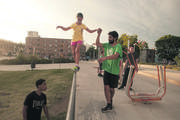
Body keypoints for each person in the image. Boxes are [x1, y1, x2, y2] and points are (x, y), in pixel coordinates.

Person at [96, 28, 122, 112]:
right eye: (108, 37)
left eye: (110, 37)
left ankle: (110, 100)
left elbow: (115, 56)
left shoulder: (118, 46)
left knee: (111, 89)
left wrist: (105, 58)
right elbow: (97, 44)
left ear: (115, 38)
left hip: (114, 71)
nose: (108, 38)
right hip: (107, 70)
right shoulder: (107, 45)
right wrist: (98, 34)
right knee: (106, 87)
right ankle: (108, 104)